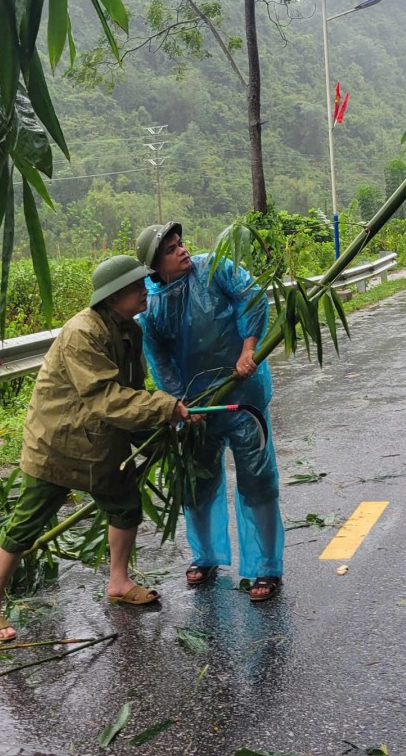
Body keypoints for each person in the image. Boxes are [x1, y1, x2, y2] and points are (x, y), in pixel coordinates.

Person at [0, 256, 191, 643]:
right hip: (57, 445)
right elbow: (105, 396)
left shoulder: (130, 330)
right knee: (26, 524)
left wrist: (162, 425)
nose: (145, 291)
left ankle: (119, 583)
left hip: (102, 443)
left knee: (125, 508)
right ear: (112, 296)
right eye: (136, 287)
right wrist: (163, 408)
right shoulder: (82, 333)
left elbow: (132, 391)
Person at [135, 221, 284, 603]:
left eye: (180, 243)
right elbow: (161, 362)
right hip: (198, 408)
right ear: (155, 266)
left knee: (257, 478)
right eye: (170, 249)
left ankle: (265, 567)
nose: (182, 250)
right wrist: (180, 402)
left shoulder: (215, 268)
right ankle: (206, 556)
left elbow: (249, 297)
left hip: (243, 394)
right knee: (199, 484)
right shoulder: (151, 306)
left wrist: (248, 349)